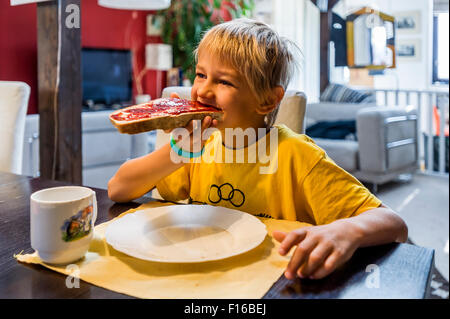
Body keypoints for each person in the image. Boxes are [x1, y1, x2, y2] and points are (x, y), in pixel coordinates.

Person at [108, 18, 408, 280]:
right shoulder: (199, 147)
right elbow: (117, 190)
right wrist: (177, 153)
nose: (202, 90)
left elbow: (395, 224)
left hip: (277, 280)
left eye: (224, 81)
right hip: (204, 271)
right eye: (200, 74)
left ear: (267, 101)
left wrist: (345, 232)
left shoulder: (297, 155)